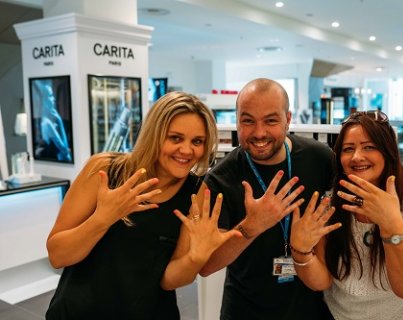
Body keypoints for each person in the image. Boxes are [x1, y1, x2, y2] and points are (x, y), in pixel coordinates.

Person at [45, 92, 240, 320]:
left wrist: (196, 258)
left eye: (197, 141)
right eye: (175, 138)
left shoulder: (197, 193)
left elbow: (169, 281)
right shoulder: (105, 171)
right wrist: (103, 218)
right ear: (154, 135)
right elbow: (58, 256)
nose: (187, 151)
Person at [290, 110, 403, 320]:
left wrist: (391, 226)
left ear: (388, 152)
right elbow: (322, 281)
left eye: (369, 147)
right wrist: (301, 251)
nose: (357, 157)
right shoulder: (331, 205)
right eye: (348, 149)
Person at [199, 78, 337, 319]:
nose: (259, 133)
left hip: (311, 309)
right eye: (248, 121)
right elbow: (207, 264)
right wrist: (251, 227)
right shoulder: (220, 180)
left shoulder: (320, 158)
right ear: (237, 121)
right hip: (245, 310)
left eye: (271, 120)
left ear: (288, 119)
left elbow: (361, 180)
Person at [34, 79, 72, 162]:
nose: (53, 99)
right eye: (51, 96)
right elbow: (63, 148)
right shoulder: (46, 123)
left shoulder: (50, 120)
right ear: (45, 100)